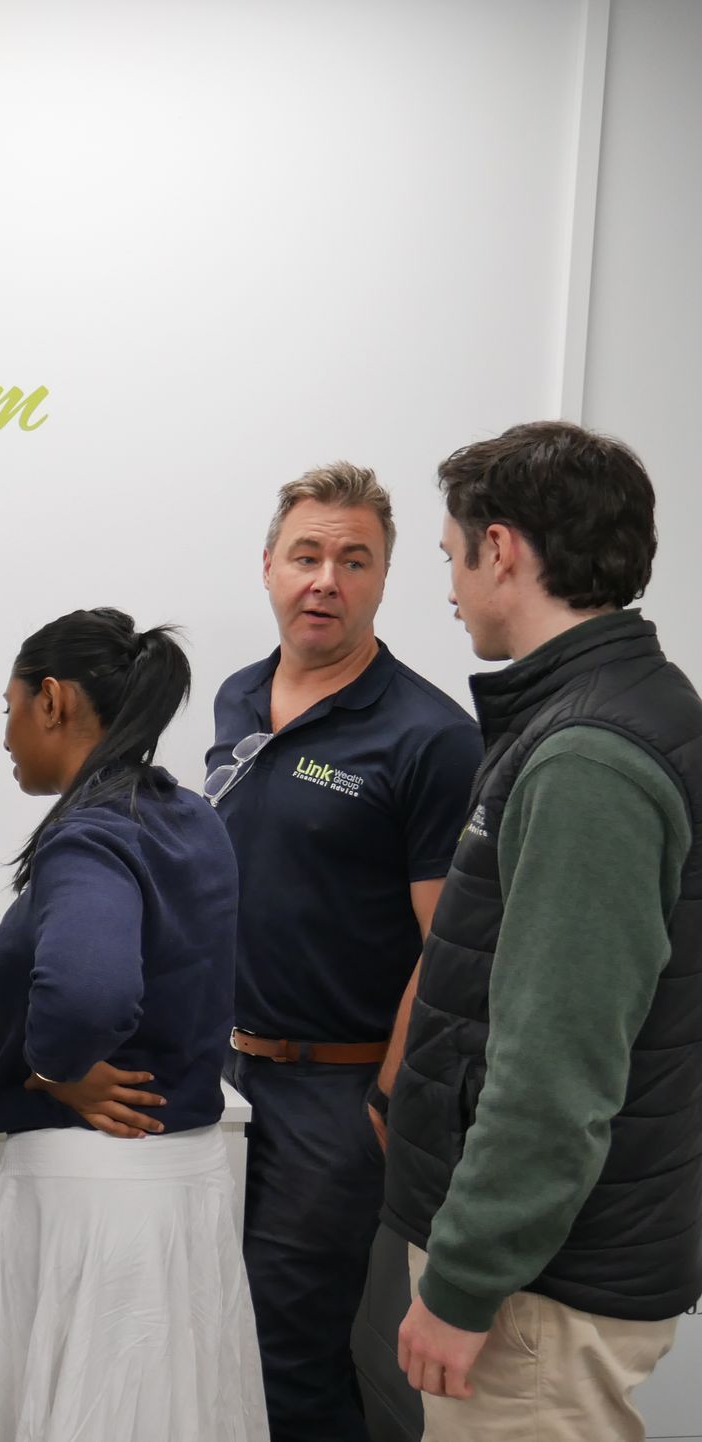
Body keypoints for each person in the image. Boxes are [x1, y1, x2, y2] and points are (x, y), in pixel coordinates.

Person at [387, 422, 702, 1440]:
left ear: (502, 549)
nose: (449, 586)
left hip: (537, 1294)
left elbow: (556, 1065)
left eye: (451, 555)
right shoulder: (607, 711)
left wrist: (464, 1281)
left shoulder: (588, 758)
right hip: (545, 1271)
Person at [0, 607, 265, 1442]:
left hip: (90, 1200)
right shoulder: (191, 817)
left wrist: (50, 1068)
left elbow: (87, 995)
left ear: (53, 700)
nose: (5, 734)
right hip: (184, 1188)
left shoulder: (90, 835)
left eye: (9, 707)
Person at [204, 463, 481, 1441]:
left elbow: (448, 947)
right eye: (307, 555)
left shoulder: (431, 737)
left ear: (383, 579)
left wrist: (384, 1101)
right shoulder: (238, 698)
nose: (326, 579)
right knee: (217, 1338)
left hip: (336, 1095)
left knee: (293, 1357)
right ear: (268, 566)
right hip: (223, 1080)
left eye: (353, 560)